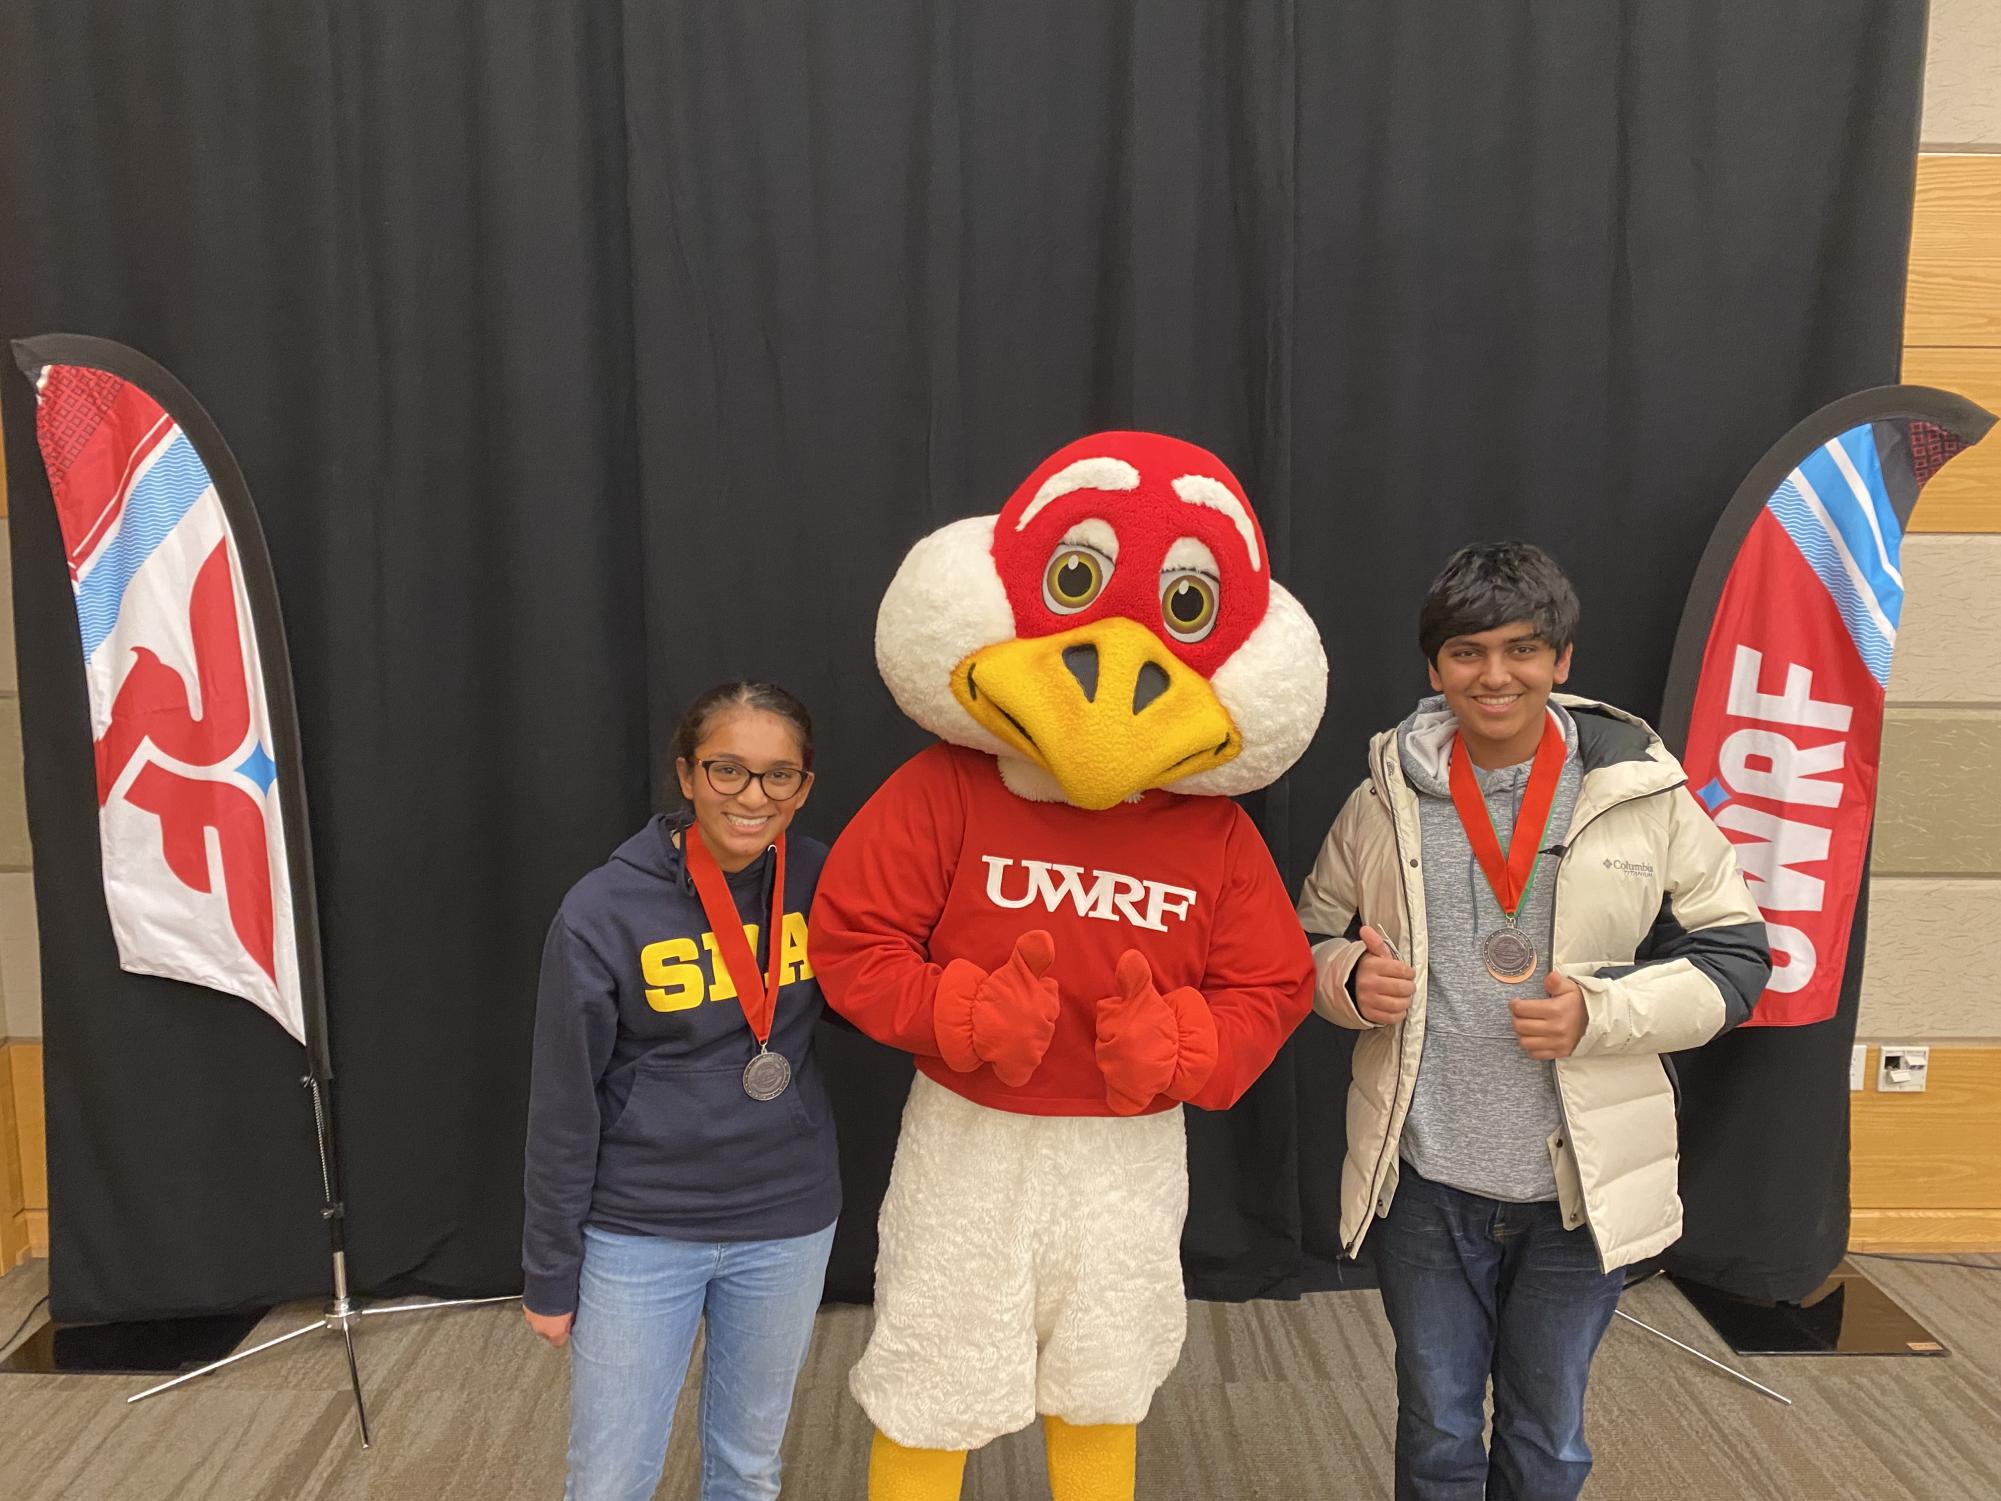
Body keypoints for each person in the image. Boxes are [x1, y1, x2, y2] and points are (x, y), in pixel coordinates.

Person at [1296, 542, 1770, 1501]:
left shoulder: (1642, 795)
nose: (1495, 674)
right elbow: (1296, 940)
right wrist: (1345, 978)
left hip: (1578, 1190)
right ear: (1435, 671)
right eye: (1467, 653)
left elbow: (1738, 958)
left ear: (1561, 659)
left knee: (1547, 1436)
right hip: (1425, 1179)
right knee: (1434, 1428)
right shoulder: (1376, 802)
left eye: (1522, 649)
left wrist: (1605, 1012)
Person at [522, 682, 840, 1501]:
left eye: (778, 776)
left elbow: (881, 998)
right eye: (727, 769)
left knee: (747, 1468)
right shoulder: (602, 908)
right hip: (642, 1227)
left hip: (786, 1217)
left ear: (803, 788)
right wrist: (550, 1271)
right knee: (608, 1481)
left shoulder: (826, 880)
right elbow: (564, 1105)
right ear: (688, 775)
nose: (751, 796)